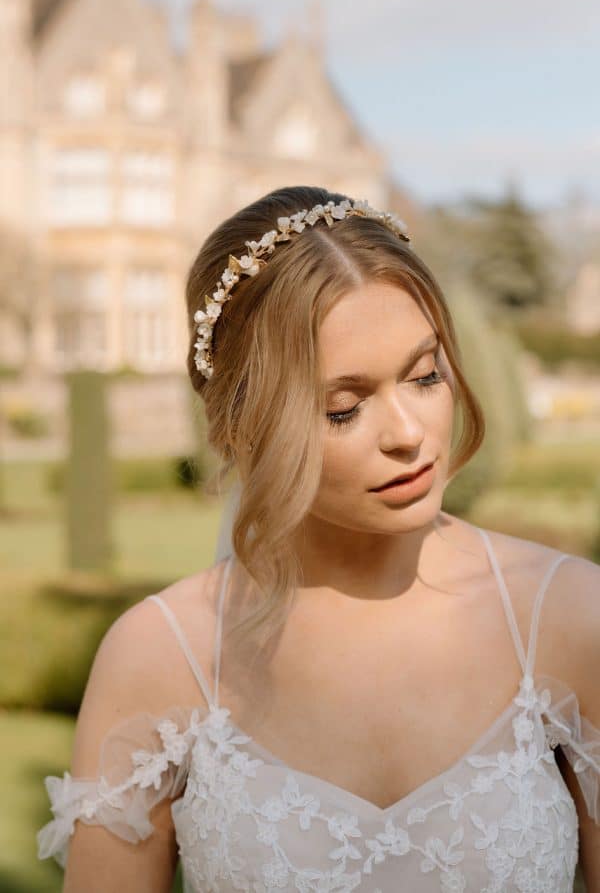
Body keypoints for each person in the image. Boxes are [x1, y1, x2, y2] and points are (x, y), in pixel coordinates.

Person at [37, 186, 600, 891]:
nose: (407, 433)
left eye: (426, 374)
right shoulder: (160, 655)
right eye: (343, 409)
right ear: (246, 422)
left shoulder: (566, 615)